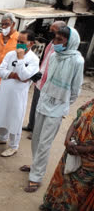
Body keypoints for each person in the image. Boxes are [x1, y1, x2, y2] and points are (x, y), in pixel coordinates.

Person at [22, 27, 84, 193]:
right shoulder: (54, 55)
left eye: (60, 40)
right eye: (55, 39)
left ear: (69, 41)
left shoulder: (77, 61)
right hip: (44, 101)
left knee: (44, 143)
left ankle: (36, 177)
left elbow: (75, 89)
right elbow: (46, 77)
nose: (55, 43)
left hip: (57, 107)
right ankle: (35, 166)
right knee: (36, 138)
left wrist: (64, 106)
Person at [0, 30, 40, 157]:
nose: (19, 44)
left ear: (31, 43)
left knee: (15, 118)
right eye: (18, 41)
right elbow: (0, 71)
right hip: (5, 91)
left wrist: (21, 59)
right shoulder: (10, 54)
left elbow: (24, 76)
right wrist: (13, 74)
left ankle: (13, 146)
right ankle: (2, 137)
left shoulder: (34, 59)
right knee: (3, 113)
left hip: (18, 95)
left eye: (22, 42)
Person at [39, 99, 94, 211]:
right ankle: (51, 205)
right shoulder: (91, 103)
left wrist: (83, 149)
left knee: (77, 191)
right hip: (72, 150)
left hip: (88, 163)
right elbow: (76, 121)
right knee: (61, 180)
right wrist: (67, 140)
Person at [22, 21, 67, 138]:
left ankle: (36, 131)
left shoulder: (61, 47)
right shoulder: (51, 43)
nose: (50, 33)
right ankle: (31, 125)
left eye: (53, 31)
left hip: (48, 82)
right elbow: (45, 59)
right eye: (50, 30)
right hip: (40, 78)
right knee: (35, 104)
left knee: (41, 107)